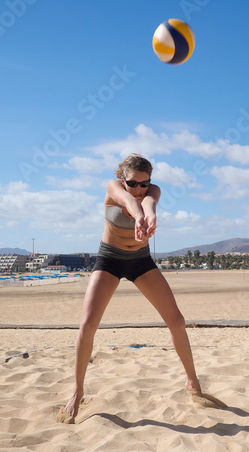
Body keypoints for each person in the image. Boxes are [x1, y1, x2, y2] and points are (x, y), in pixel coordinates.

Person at [59, 153, 204, 422]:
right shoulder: (114, 188)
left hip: (140, 261)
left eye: (144, 183)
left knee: (177, 321)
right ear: (122, 179)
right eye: (133, 183)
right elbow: (129, 202)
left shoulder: (152, 191)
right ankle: (77, 391)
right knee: (88, 324)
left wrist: (149, 216)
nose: (138, 189)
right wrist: (138, 217)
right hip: (109, 259)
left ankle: (192, 382)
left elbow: (149, 203)